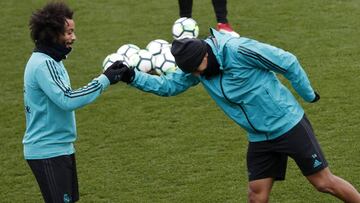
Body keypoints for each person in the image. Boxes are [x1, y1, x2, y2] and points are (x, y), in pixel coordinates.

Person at [113, 29, 360, 202]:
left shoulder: (239, 50)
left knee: (323, 183)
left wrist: (308, 95)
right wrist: (131, 77)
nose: (198, 77)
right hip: (259, 137)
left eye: (199, 71)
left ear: (206, 55)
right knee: (256, 194)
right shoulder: (195, 67)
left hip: (288, 125)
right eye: (193, 74)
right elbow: (168, 86)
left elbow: (288, 61)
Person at [23, 2, 126, 202]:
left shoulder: (52, 61)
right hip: (48, 151)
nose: (73, 37)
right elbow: (67, 99)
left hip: (60, 147)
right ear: (52, 34)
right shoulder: (44, 64)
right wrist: (104, 79)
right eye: (68, 32)